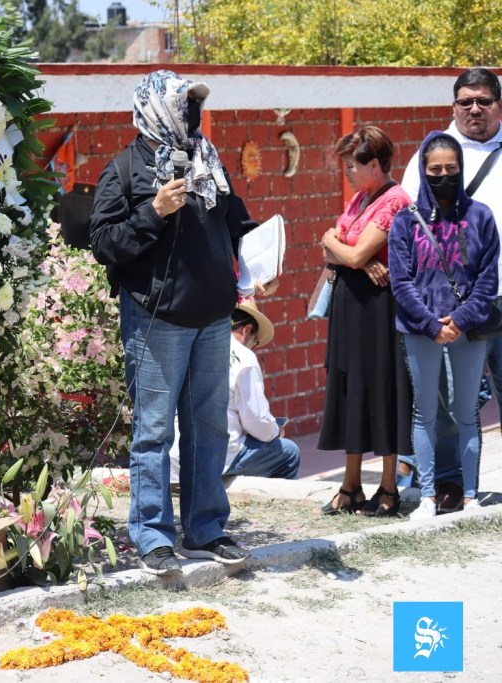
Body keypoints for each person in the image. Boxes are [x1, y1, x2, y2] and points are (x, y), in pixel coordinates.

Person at [90, 70, 256, 577]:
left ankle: (206, 528)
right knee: (155, 431)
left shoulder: (208, 160)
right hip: (155, 318)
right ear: (156, 109)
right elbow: (104, 243)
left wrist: (253, 266)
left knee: (208, 426)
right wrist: (154, 212)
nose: (191, 114)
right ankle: (152, 535)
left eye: (194, 105)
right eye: (183, 104)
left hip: (211, 316)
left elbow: (236, 224)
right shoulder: (124, 170)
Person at [400, 67, 502, 511]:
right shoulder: (432, 152)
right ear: (454, 105)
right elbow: (409, 226)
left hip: (492, 293)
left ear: (498, 103)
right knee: (442, 402)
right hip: (445, 309)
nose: (474, 108)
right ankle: (448, 484)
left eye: (484, 100)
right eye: (466, 101)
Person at [318, 125, 413, 517]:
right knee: (350, 389)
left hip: (378, 312)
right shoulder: (361, 198)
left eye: (352, 167)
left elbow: (346, 252)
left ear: (374, 164)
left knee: (382, 389)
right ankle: (351, 484)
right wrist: (345, 250)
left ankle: (388, 487)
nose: (348, 174)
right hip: (351, 310)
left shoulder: (394, 200)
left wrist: (336, 243)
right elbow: (337, 251)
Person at [225, 300, 300, 480]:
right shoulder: (245, 357)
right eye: (255, 342)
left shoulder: (200, 345)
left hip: (177, 454)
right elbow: (257, 421)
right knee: (289, 452)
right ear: (247, 330)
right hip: (219, 454)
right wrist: (276, 431)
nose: (253, 347)